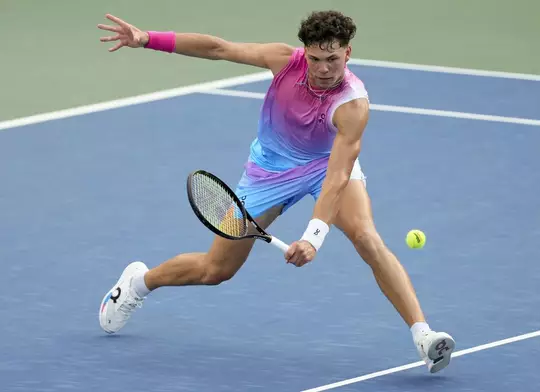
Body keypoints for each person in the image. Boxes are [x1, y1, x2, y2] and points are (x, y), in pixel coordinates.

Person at [97, 10, 455, 373]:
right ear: (305, 52)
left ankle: (424, 337)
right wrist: (148, 39)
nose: (323, 68)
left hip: (322, 166)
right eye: (315, 59)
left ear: (348, 53)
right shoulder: (284, 61)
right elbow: (219, 48)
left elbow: (337, 176)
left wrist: (313, 238)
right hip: (268, 174)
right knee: (215, 270)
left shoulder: (352, 105)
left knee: (366, 238)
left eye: (332, 59)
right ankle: (139, 282)